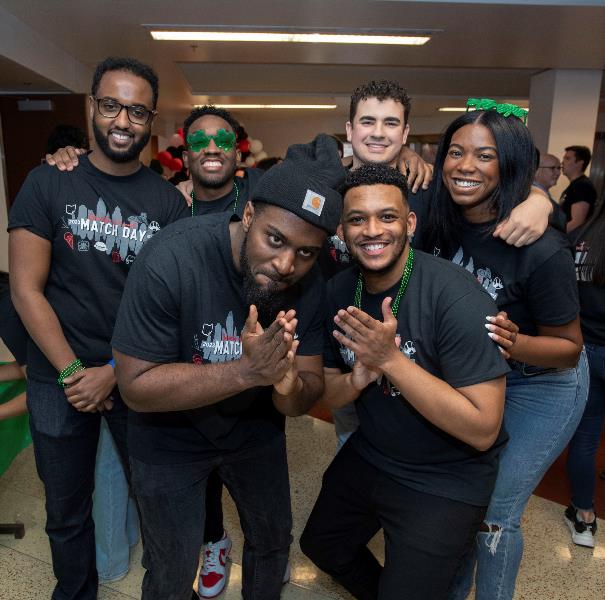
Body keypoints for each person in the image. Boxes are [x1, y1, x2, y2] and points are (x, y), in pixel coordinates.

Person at [110, 134, 344, 600]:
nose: (285, 264)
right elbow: (135, 386)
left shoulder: (310, 282)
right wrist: (246, 372)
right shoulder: (172, 256)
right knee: (172, 568)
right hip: (167, 437)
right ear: (249, 214)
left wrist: (286, 384)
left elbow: (306, 391)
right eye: (275, 239)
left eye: (305, 252)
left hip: (254, 431)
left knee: (273, 542)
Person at [8, 57, 188, 599]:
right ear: (91, 106)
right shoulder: (47, 182)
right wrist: (72, 373)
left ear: (151, 119)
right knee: (65, 512)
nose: (122, 120)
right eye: (111, 105)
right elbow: (26, 289)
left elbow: (170, 311)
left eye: (137, 111)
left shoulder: (167, 204)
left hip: (136, 375)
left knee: (157, 505)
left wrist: (112, 371)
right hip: (56, 377)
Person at [300, 163, 509, 599]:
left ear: (410, 223)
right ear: (342, 230)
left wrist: (390, 361)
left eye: (387, 217)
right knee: (321, 544)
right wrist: (358, 378)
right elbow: (330, 389)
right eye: (357, 219)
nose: (372, 230)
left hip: (447, 476)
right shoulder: (339, 292)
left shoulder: (456, 296)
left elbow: (483, 428)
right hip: (374, 452)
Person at [416, 101, 588, 600]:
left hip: (541, 386)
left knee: (495, 512)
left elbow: (569, 349)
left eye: (484, 155)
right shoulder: (437, 222)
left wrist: (517, 343)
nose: (464, 165)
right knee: (465, 502)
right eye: (455, 152)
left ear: (508, 163)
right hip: (474, 380)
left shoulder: (540, 247)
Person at [329, 80, 555, 449]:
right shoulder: (326, 186)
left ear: (405, 133)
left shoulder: (426, 188)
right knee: (355, 444)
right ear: (350, 129)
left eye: (390, 123)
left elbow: (486, 182)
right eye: (368, 121)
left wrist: (539, 198)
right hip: (347, 349)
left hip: (427, 352)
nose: (378, 133)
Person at [565, 195, 605, 547]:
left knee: (586, 439)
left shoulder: (581, 236)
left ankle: (584, 516)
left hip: (585, 349)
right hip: (589, 349)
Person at [560, 145, 597, 232]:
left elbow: (576, 223)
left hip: (571, 239)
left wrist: (555, 235)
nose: (562, 162)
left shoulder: (582, 186)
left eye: (567, 158)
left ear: (580, 163)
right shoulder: (576, 185)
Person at [533, 150, 566, 232]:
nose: (558, 173)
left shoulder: (543, 194)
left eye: (559, 168)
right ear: (537, 170)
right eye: (552, 168)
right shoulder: (532, 197)